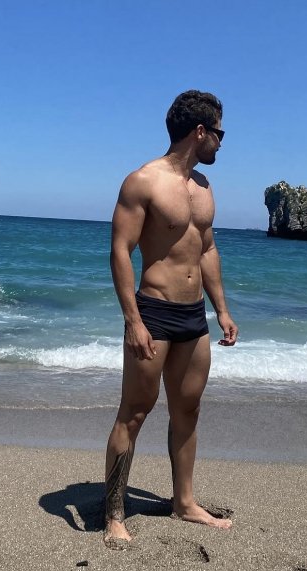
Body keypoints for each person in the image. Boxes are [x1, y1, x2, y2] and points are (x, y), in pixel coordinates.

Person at [104, 90, 238, 546]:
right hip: (155, 312)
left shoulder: (203, 187)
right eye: (219, 133)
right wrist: (133, 320)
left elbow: (207, 249)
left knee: (188, 409)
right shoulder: (143, 181)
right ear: (200, 131)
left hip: (193, 316)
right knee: (135, 412)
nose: (221, 142)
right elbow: (120, 251)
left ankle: (184, 502)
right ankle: (114, 513)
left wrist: (221, 309)